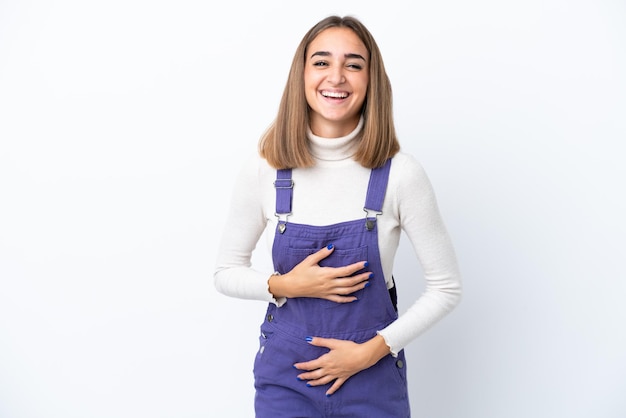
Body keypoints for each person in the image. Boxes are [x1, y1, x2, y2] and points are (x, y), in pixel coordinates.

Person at [214, 15, 462, 418]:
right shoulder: (265, 169)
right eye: (322, 62)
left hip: (373, 382)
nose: (337, 77)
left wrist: (369, 353)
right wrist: (286, 285)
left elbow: (446, 288)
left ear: (371, 80)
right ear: (303, 74)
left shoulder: (400, 174)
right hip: (286, 383)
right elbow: (225, 271)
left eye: (353, 64)